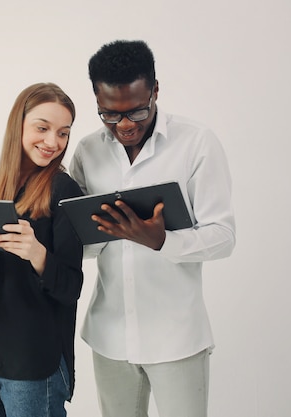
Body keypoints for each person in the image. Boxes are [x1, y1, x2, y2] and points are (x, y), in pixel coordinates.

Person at [69, 40, 236, 417]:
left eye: (137, 111)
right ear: (96, 99)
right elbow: (82, 244)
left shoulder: (197, 144)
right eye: (110, 115)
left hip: (176, 337)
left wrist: (161, 241)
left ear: (156, 90)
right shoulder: (86, 151)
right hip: (109, 334)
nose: (125, 126)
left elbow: (223, 236)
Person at [0, 83, 84, 417]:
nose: (53, 142)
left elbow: (71, 287)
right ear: (17, 125)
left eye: (63, 133)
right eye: (43, 128)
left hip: (34, 367)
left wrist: (36, 253)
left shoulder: (64, 191)